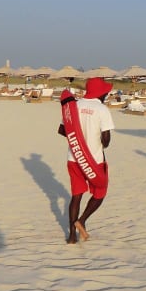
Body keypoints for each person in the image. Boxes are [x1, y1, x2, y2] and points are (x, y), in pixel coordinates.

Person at [57, 77, 115, 244]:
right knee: (100, 191)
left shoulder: (73, 106)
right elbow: (106, 141)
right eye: (106, 92)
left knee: (76, 196)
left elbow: (63, 130)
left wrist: (78, 137)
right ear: (101, 93)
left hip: (74, 158)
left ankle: (72, 237)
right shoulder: (102, 109)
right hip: (94, 160)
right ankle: (81, 220)